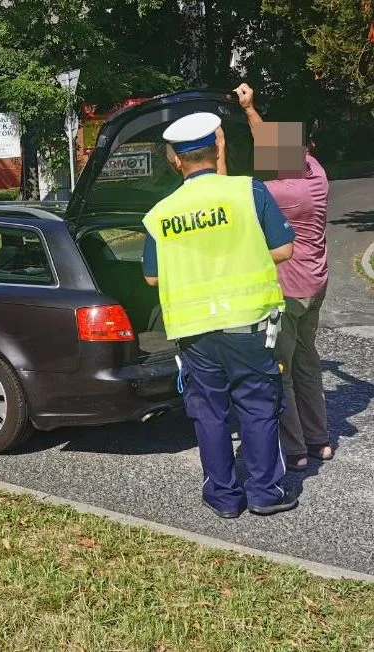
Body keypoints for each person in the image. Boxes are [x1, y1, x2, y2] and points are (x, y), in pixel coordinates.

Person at [141, 112, 299, 518]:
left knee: (209, 414)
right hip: (248, 325)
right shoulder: (248, 192)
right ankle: (265, 492)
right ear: (218, 148)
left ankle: (224, 498)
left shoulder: (160, 213)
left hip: (194, 332)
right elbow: (284, 250)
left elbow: (152, 277)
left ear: (175, 159)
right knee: (259, 406)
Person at [233, 83, 333, 472]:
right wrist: (250, 108)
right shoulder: (316, 173)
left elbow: (230, 192)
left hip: (288, 291)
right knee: (308, 363)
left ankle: (295, 450)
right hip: (316, 285)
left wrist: (218, 156)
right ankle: (320, 440)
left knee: (283, 371)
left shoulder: (277, 192)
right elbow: (272, 141)